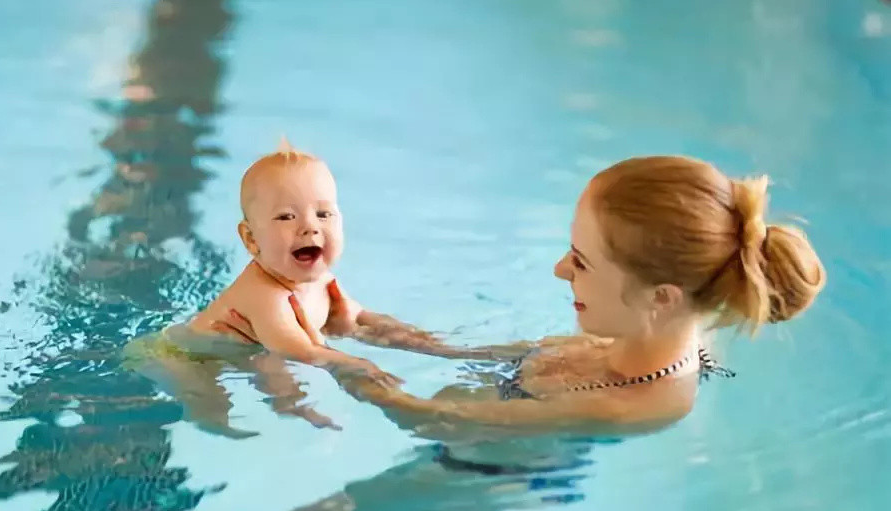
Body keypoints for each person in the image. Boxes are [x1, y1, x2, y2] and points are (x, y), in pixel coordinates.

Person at [214, 155, 826, 440]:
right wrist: (369, 328)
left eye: (581, 262)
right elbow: (483, 354)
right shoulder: (643, 328)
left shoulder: (632, 405)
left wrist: (351, 374)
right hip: (512, 405)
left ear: (660, 298)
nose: (560, 270)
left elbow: (435, 419)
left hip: (490, 475)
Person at [125, 139, 459, 436]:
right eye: (286, 217)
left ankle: (286, 404)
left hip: (247, 349)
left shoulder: (319, 279)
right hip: (176, 356)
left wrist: (424, 342)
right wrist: (353, 363)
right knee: (210, 401)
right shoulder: (266, 294)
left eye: (324, 213)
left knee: (267, 366)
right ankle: (231, 420)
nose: (310, 227)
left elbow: (359, 319)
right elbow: (296, 350)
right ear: (251, 239)